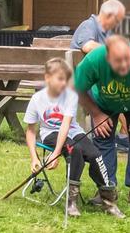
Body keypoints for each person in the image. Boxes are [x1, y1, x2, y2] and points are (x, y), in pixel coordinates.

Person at [72, 36, 130, 209]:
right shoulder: (93, 61)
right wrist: (96, 114)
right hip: (103, 103)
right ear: (108, 58)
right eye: (117, 61)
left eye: (126, 59)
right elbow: (78, 88)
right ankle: (106, 188)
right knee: (102, 139)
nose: (123, 65)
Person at [26, 56, 122, 218]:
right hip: (50, 133)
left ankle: (109, 201)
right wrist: (34, 158)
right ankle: (71, 202)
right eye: (60, 79)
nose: (64, 83)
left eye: (66, 80)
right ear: (47, 78)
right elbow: (30, 131)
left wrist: (56, 153)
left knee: (95, 154)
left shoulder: (70, 96)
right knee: (74, 149)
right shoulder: (37, 99)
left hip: (72, 131)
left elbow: (66, 125)